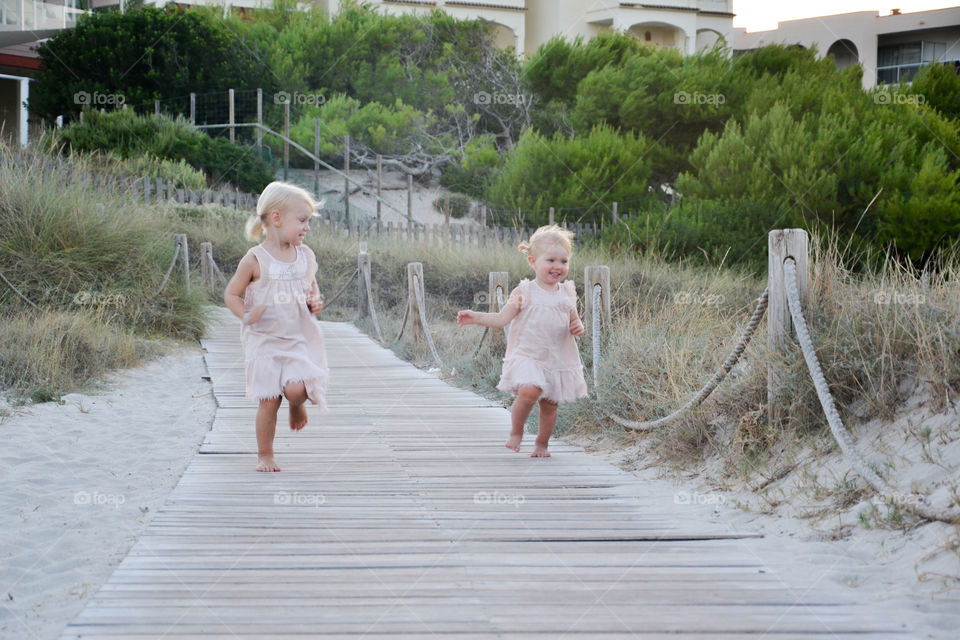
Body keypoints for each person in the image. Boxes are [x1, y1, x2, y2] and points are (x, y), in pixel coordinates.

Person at [224, 181, 328, 472]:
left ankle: (297, 405)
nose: (306, 228)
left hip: (296, 338)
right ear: (277, 219)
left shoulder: (305, 256)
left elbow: (311, 287)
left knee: (296, 390)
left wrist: (315, 300)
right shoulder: (255, 259)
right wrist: (246, 314)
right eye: (302, 220)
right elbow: (231, 294)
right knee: (269, 400)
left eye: (308, 222)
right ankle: (265, 453)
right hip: (264, 340)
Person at [457, 224, 587, 457]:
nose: (558, 266)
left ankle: (542, 444)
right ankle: (517, 431)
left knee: (549, 405)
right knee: (529, 391)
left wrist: (578, 326)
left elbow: (575, 323)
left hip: (557, 358)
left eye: (563, 261)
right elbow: (501, 319)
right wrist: (475, 316)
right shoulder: (524, 291)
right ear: (532, 261)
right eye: (551, 260)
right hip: (528, 355)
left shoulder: (567, 293)